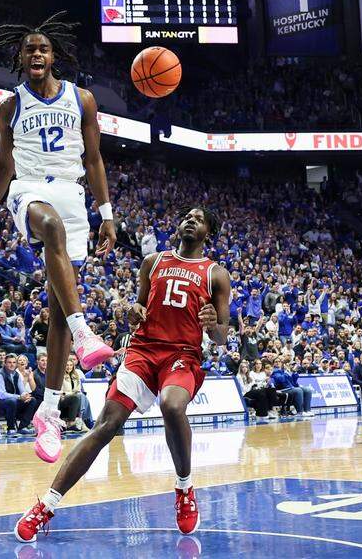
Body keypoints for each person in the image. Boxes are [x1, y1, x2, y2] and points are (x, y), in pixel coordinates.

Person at [15, 206, 230, 543]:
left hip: (182, 355)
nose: (190, 220)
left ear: (208, 233)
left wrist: (212, 324)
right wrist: (134, 311)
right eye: (187, 216)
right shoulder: (153, 262)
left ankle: (185, 487)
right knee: (105, 426)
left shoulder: (215, 274)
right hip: (143, 351)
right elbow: (139, 310)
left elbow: (221, 335)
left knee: (173, 406)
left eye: (200, 219)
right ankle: (46, 504)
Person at [0, 13, 116, 465]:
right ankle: (84, 332)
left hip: (74, 195)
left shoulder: (83, 99)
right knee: (49, 227)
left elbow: (94, 160)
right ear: (21, 59)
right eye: (29, 49)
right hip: (30, 190)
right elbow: (3, 166)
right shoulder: (10, 106)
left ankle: (50, 412)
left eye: (43, 49)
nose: (36, 54)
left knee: (57, 307)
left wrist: (106, 214)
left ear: (54, 57)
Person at [0, 354, 35, 434]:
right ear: (5, 363)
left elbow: (22, 390)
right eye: (9, 362)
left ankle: (23, 427)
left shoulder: (16, 374)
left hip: (12, 400)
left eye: (14, 362)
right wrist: (19, 397)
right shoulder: (0, 375)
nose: (12, 364)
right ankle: (10, 428)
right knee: (12, 401)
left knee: (32, 400)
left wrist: (25, 396)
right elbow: (2, 395)